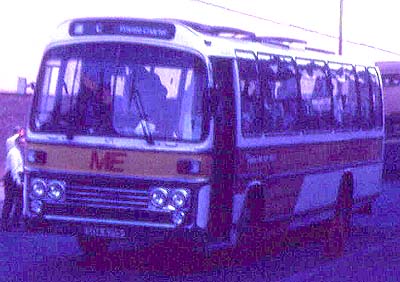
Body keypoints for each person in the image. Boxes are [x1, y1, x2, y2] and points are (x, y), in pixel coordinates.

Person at [1, 129, 25, 231]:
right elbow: (14, 169)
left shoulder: (16, 152)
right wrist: (18, 181)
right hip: (13, 178)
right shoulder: (14, 153)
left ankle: (7, 222)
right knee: (15, 201)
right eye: (21, 140)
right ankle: (11, 222)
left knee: (10, 201)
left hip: (12, 177)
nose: (23, 141)